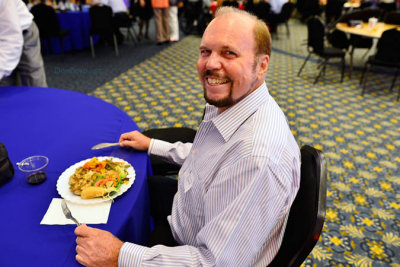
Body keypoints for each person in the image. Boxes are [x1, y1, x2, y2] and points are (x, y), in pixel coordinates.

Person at [74, 6, 300, 266]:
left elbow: (214, 262)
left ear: (262, 65)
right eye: (205, 51)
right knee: (116, 195)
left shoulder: (255, 158)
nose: (210, 64)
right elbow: (209, 157)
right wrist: (153, 145)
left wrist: (119, 255)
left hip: (189, 247)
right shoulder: (236, 101)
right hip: (189, 210)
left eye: (229, 53)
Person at [0, 0, 47, 87]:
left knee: (33, 80)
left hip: (24, 33)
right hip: (5, 35)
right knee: (5, 85)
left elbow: (12, 38)